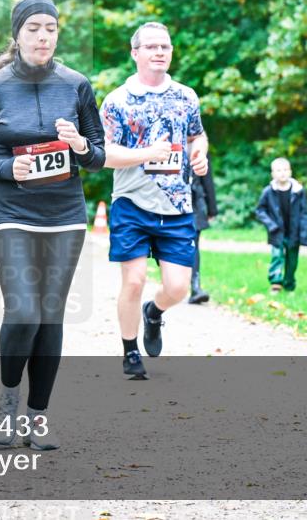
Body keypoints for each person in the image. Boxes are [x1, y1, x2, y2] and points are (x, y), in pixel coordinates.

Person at [0, 0, 106, 451]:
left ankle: (38, 418)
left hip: (64, 214)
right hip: (13, 213)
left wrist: (80, 145)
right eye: (34, 28)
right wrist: (3, 169)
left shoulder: (77, 84)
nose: (43, 36)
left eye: (51, 28)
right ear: (17, 34)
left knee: (50, 317)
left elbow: (97, 158)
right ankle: (7, 401)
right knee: (23, 311)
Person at [100, 21, 209, 379]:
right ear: (135, 53)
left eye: (165, 46)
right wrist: (146, 153)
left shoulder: (186, 96)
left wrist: (200, 155)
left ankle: (154, 312)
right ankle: (130, 350)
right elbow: (105, 154)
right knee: (133, 281)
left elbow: (197, 136)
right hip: (131, 203)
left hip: (177, 206)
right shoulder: (117, 100)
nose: (160, 52)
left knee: (178, 288)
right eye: (151, 47)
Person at [254, 157, 307, 294]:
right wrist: (271, 225)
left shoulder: (298, 191)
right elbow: (260, 210)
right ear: (273, 174)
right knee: (277, 257)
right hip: (277, 232)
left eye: (285, 170)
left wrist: (304, 234)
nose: (282, 173)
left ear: (290, 172)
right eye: (278, 170)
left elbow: (304, 213)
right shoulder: (268, 191)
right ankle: (276, 283)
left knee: (292, 261)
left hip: (294, 232)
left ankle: (289, 283)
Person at [188, 164, 218, 304]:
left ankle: (195, 287)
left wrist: (211, 208)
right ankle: (172, 285)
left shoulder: (199, 145)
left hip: (195, 202)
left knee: (194, 244)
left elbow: (207, 178)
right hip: (166, 201)